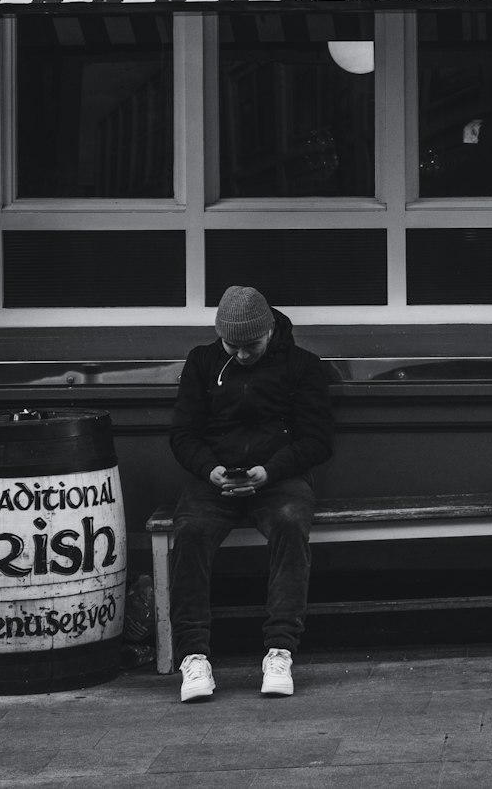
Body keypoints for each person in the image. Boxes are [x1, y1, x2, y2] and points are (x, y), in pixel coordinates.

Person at [168, 285, 334, 702]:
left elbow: (317, 440)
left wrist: (271, 470)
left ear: (269, 333)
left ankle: (280, 651)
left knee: (290, 524)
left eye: (251, 346)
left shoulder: (302, 366)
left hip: (279, 477)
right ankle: (193, 656)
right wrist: (210, 470)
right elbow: (182, 434)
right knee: (188, 533)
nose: (241, 355)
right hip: (216, 479)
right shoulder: (203, 362)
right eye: (232, 345)